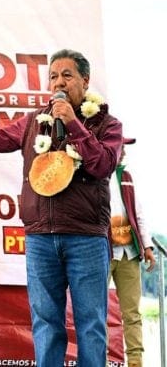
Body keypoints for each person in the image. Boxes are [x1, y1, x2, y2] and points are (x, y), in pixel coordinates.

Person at [0, 49, 123, 365]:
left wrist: (73, 124)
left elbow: (103, 164)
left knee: (91, 325)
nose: (58, 82)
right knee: (46, 324)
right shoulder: (35, 121)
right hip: (40, 240)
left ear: (85, 80)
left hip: (86, 239)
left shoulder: (108, 124)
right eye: (53, 76)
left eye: (67, 75)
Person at [108, 137, 156, 367]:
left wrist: (147, 246)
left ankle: (136, 361)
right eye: (121, 146)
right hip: (102, 252)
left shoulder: (126, 176)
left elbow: (138, 213)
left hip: (129, 252)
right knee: (96, 313)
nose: (124, 151)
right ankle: (98, 359)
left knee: (132, 313)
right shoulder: (93, 175)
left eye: (125, 147)